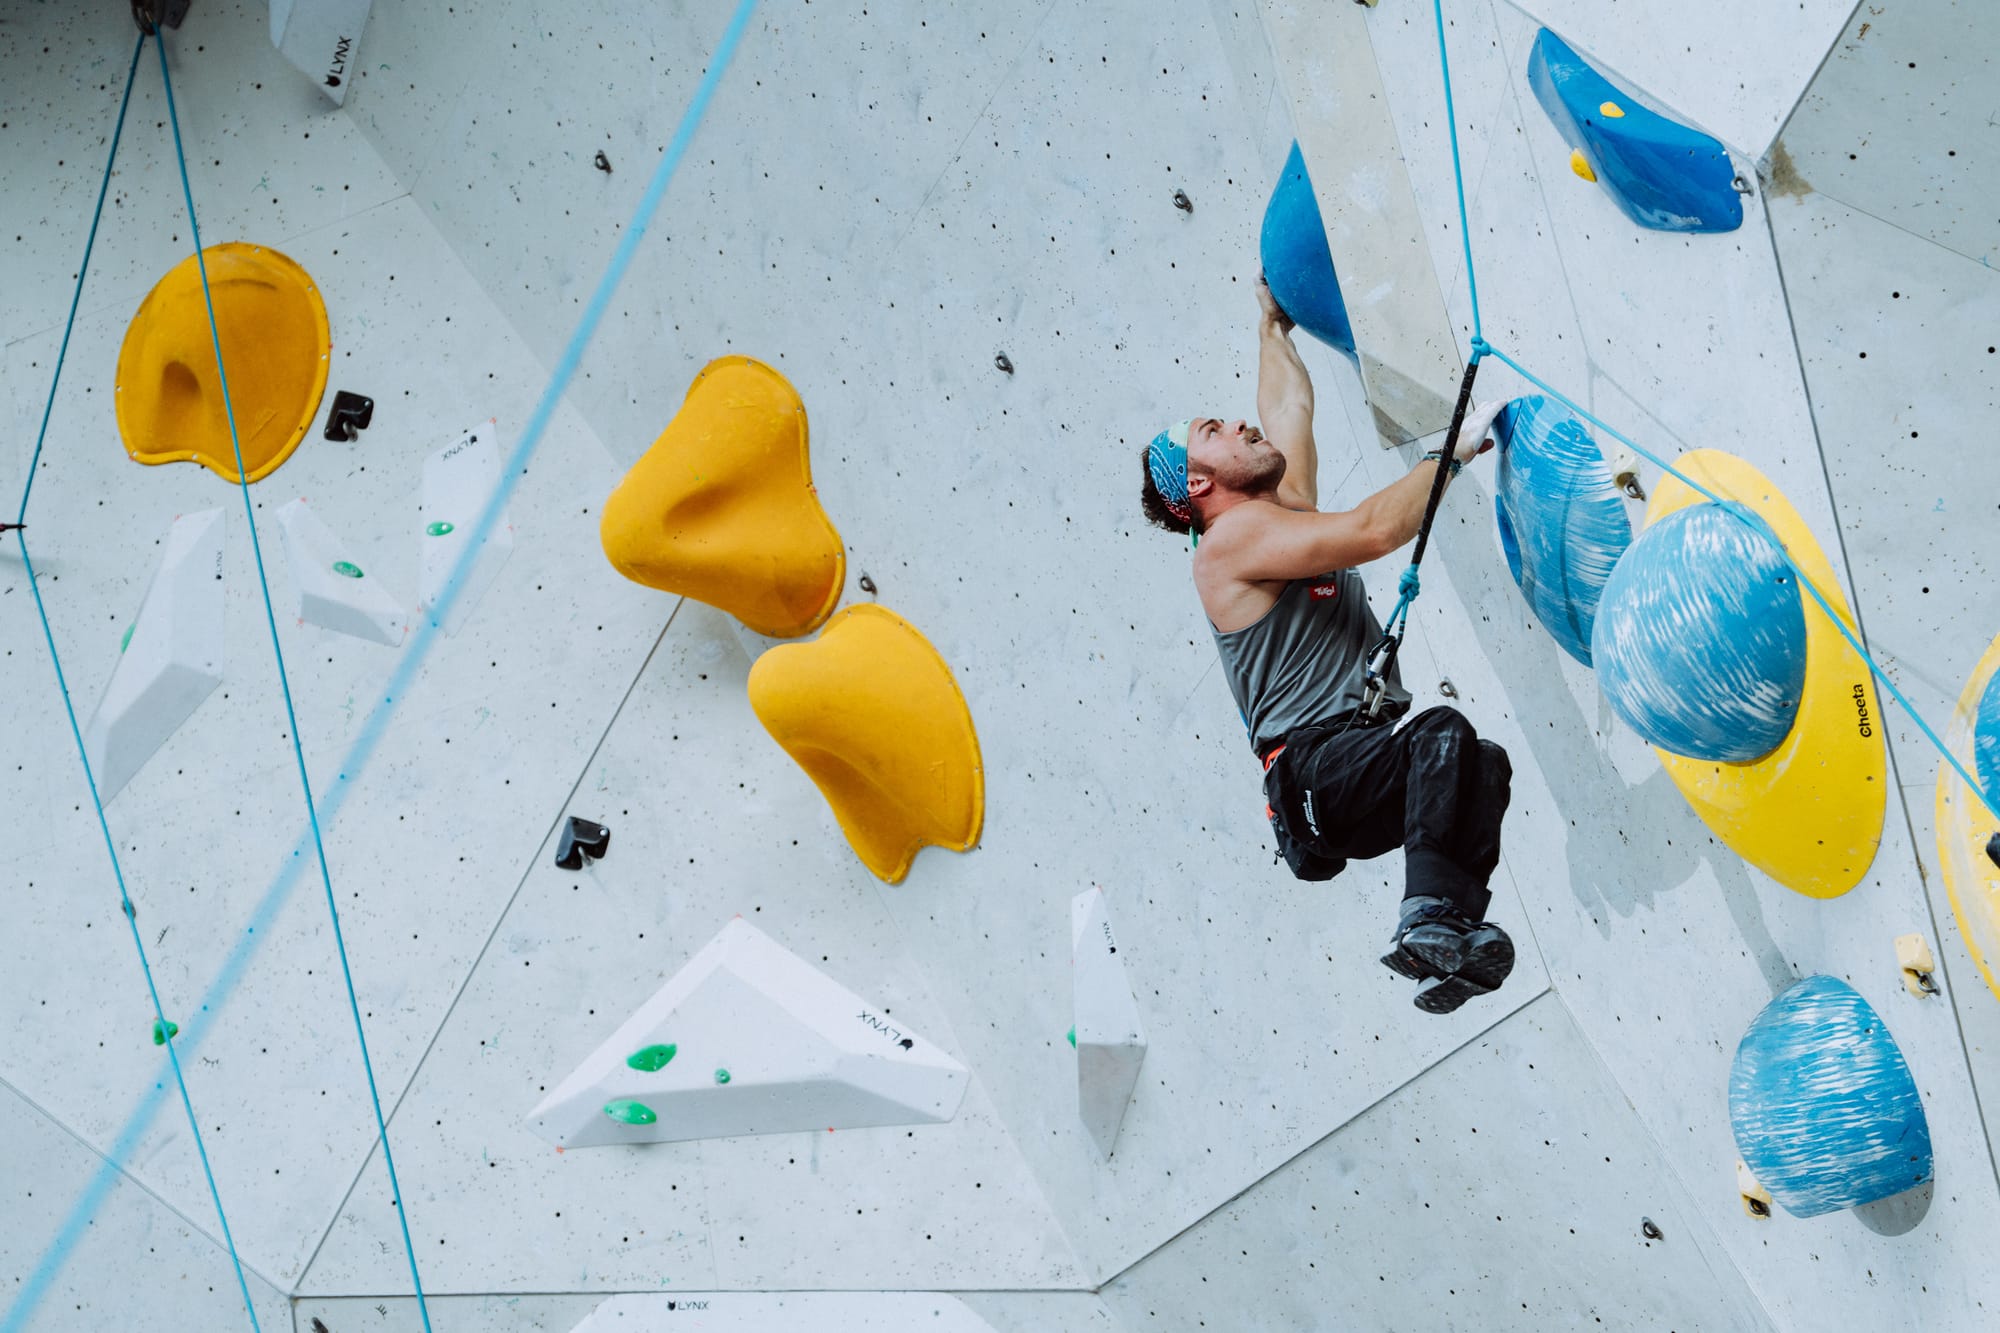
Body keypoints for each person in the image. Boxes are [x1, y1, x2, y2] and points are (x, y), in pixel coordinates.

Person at [1139, 276, 1515, 1014]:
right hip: (1310, 776)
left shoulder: (1282, 516)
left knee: (1482, 766)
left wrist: (1271, 326)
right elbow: (1374, 531)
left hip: (1345, 770)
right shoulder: (1227, 545)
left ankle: (1452, 945)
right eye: (1218, 431)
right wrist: (1458, 448)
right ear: (1200, 481)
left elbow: (1289, 407)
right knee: (1441, 732)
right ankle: (1428, 919)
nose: (1244, 426)